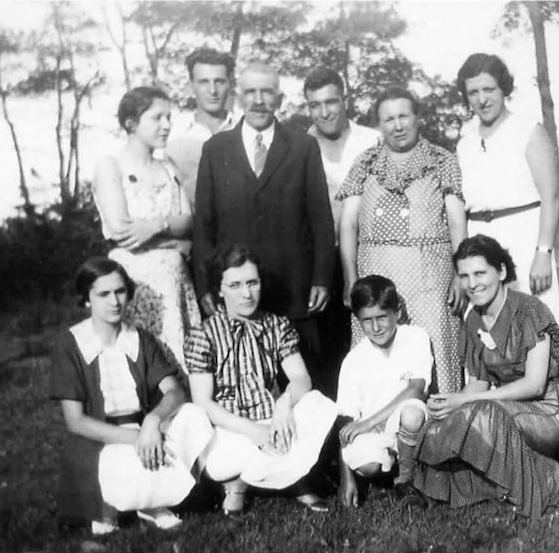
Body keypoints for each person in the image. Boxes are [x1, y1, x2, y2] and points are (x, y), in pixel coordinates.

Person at [193, 61, 335, 394]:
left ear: (279, 97)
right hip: (238, 291)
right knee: (241, 388)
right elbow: (204, 226)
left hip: (294, 291)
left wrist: (321, 278)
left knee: (305, 387)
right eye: (251, 92)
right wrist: (205, 287)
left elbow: (320, 218)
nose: (258, 100)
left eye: (267, 92)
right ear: (238, 95)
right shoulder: (216, 150)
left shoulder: (302, 147)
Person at [413, 235, 559, 518]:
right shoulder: (473, 319)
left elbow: (535, 384)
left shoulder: (530, 311)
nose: (472, 283)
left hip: (550, 410)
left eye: (480, 273)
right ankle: (497, 485)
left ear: (501, 272)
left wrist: (472, 401)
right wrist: (450, 402)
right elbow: (477, 383)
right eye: (464, 276)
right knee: (440, 423)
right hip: (504, 407)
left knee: (483, 414)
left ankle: (547, 480)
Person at [49, 257, 213, 534]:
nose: (114, 301)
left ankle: (151, 500)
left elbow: (175, 392)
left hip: (144, 428)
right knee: (120, 465)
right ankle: (132, 503)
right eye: (103, 294)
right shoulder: (70, 344)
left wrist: (152, 422)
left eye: (120, 291)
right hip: (100, 438)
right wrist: (139, 439)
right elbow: (75, 421)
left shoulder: (140, 338)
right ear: (86, 299)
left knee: (193, 415)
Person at [184, 244, 337, 516]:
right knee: (219, 460)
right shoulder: (203, 334)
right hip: (231, 429)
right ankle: (279, 480)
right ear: (219, 289)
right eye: (235, 285)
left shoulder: (275, 325)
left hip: (272, 420)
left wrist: (284, 404)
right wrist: (251, 431)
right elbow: (203, 402)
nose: (246, 293)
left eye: (252, 283)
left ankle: (249, 481)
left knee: (318, 405)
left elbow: (301, 378)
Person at [338, 87, 467, 394]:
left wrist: (460, 275)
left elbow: (457, 223)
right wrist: (350, 277)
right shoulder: (365, 162)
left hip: (430, 276)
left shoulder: (441, 160)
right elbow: (347, 226)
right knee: (377, 354)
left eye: (404, 116)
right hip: (375, 272)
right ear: (379, 124)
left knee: (434, 349)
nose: (397, 125)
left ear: (417, 118)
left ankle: (441, 429)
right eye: (388, 119)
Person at [94, 86, 199, 371]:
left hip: (175, 282)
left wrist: (155, 225)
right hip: (134, 280)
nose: (166, 125)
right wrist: (171, 232)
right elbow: (121, 231)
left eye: (169, 117)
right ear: (131, 123)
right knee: (140, 364)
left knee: (183, 363)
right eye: (157, 118)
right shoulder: (110, 166)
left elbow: (188, 222)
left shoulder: (168, 167)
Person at [456, 53, 559, 322]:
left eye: (489, 89)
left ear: (504, 87)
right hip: (479, 241)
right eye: (474, 92)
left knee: (532, 326)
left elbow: (552, 197)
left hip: (524, 237)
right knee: (486, 330)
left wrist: (543, 253)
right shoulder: (464, 141)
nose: (482, 99)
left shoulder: (528, 130)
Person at [303, 67, 380, 397]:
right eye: (315, 104)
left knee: (371, 337)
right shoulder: (301, 145)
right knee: (329, 349)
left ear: (345, 100)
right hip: (321, 260)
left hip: (368, 251)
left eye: (331, 101)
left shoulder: (370, 140)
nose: (324, 112)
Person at [336, 275, 432, 509]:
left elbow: (416, 389)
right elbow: (345, 421)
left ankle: (406, 481)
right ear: (358, 320)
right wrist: (345, 479)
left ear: (397, 313)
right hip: (376, 433)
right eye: (367, 320)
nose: (376, 327)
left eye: (382, 317)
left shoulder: (414, 337)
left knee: (411, 412)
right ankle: (385, 475)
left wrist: (367, 423)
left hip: (409, 426)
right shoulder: (354, 359)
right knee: (367, 465)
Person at [166, 48, 236, 209]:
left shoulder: (247, 131)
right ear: (191, 86)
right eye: (203, 82)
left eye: (219, 81)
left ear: (230, 84)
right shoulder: (174, 137)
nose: (212, 91)